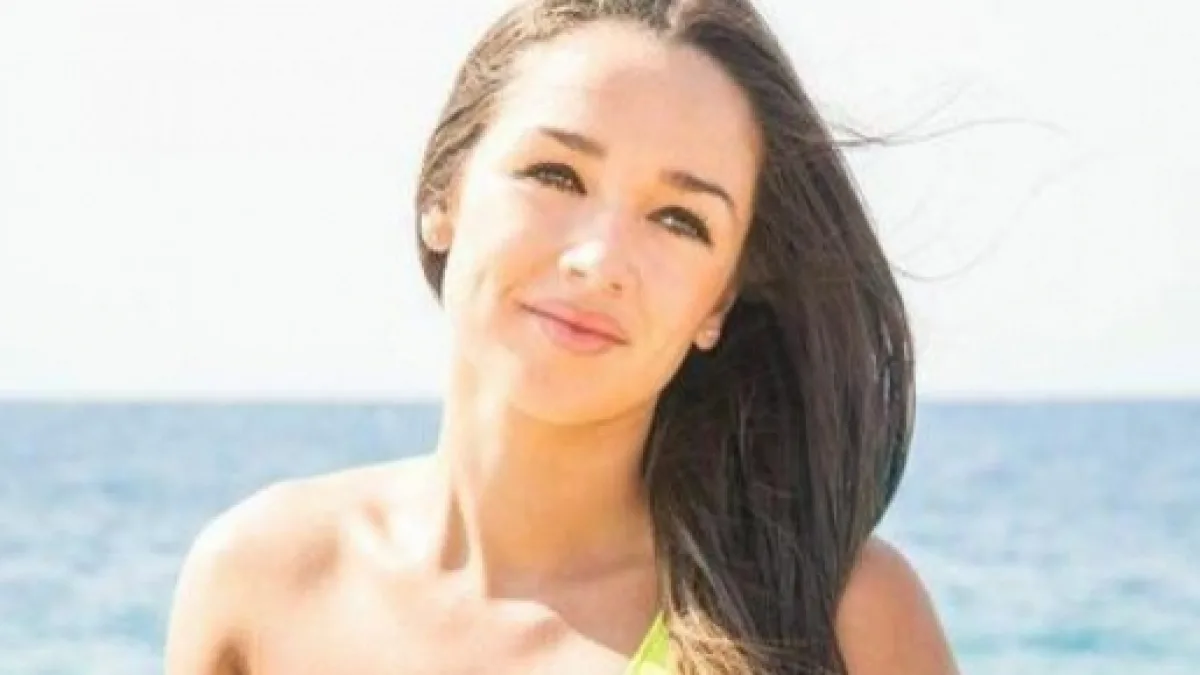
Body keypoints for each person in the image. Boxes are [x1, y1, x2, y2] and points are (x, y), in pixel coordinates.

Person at [165, 0, 959, 673]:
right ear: (443, 196)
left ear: (720, 299)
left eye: (679, 220)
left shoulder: (839, 616)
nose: (599, 260)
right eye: (555, 175)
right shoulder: (259, 583)